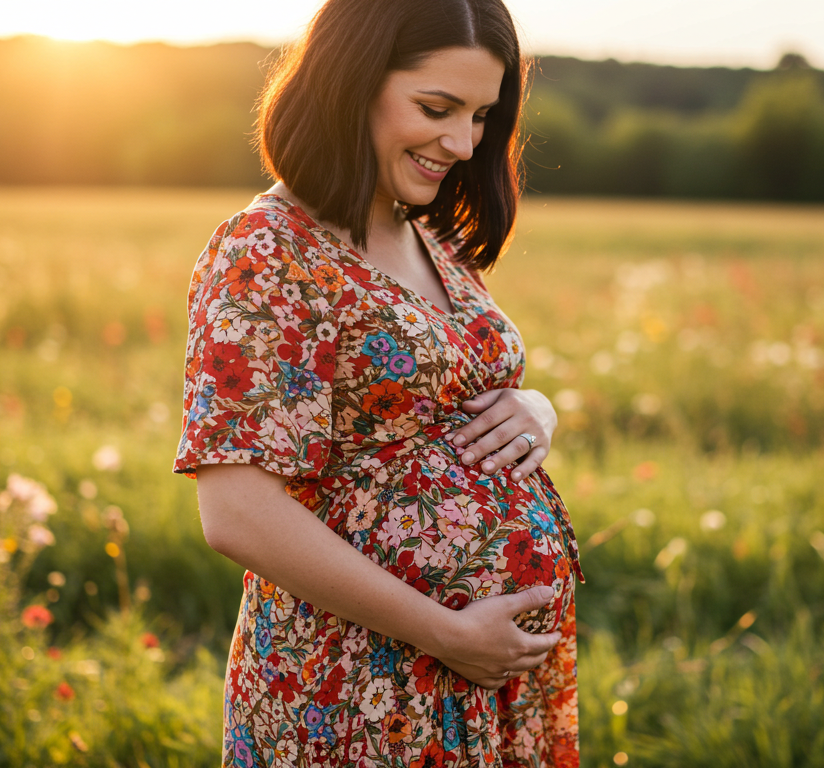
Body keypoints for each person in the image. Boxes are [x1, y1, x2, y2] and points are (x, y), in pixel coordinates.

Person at [172, 1, 582, 765]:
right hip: (359, 684)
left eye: (482, 116)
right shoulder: (267, 250)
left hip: (482, 683)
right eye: (437, 108)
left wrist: (536, 407)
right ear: (349, 83)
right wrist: (446, 630)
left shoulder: (426, 236)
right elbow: (236, 509)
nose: (462, 143)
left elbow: (446, 398)